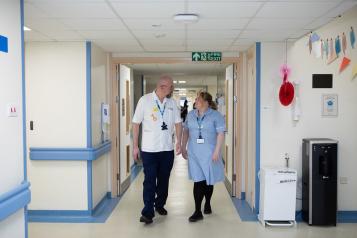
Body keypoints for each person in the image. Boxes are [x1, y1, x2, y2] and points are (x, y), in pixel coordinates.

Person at [132, 75, 182, 224]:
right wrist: (135, 146)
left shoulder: (172, 103)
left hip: (166, 149)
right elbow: (136, 124)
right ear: (161, 87)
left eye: (172, 86)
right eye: (170, 86)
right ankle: (148, 212)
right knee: (149, 181)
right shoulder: (145, 100)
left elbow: (178, 123)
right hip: (149, 150)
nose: (171, 88)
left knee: (164, 180)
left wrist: (178, 141)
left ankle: (159, 204)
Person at [181, 91, 225, 222]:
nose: (196, 101)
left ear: (206, 102)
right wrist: (183, 147)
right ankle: (197, 211)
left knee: (208, 180)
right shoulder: (191, 115)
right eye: (196, 99)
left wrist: (217, 151)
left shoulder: (216, 116)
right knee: (198, 181)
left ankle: (207, 203)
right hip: (194, 152)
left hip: (209, 153)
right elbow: (186, 131)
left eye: (198, 99)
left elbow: (221, 133)